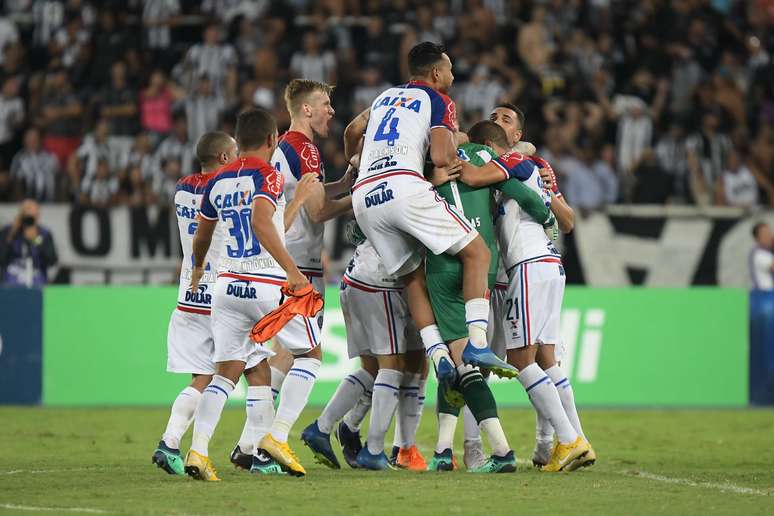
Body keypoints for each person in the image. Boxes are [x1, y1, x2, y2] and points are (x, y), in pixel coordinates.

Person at [343, 42, 516, 404]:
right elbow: (440, 155)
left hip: (364, 196)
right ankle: (478, 344)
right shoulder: (439, 100)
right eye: (450, 70)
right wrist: (451, 157)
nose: (452, 77)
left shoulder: (384, 98)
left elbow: (350, 132)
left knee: (411, 277)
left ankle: (438, 354)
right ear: (436, 73)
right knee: (477, 253)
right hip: (404, 187)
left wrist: (357, 162)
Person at [185, 108, 319, 480]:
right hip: (265, 283)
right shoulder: (268, 175)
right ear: (273, 140)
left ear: (238, 141)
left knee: (225, 374)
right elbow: (262, 223)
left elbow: (202, 236)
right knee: (310, 354)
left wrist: (198, 269)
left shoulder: (217, 180)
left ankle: (197, 452)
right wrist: (293, 273)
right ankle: (277, 437)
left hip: (227, 286)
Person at [459, 123, 595, 473]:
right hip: (547, 264)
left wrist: (459, 160)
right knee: (545, 358)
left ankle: (569, 440)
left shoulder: (512, 162)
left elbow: (473, 177)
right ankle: (572, 440)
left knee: (520, 358)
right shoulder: (530, 165)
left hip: (527, 265)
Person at [426, 121, 553, 473]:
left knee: (456, 360)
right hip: (484, 266)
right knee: (466, 359)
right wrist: (546, 214)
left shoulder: (427, 161)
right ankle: (451, 451)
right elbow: (524, 194)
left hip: (440, 260)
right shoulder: (487, 160)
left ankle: (489, 450)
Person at [301, 225, 427, 470]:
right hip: (380, 282)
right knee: (392, 367)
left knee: (372, 369)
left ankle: (324, 427)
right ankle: (374, 450)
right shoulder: (412, 192)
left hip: (356, 276)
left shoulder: (376, 190)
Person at [150, 131, 237, 476]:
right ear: (224, 158)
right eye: (234, 152)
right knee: (254, 370)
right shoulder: (225, 188)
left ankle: (170, 442)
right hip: (222, 291)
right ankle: (252, 450)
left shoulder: (183, 187)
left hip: (189, 293)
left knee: (201, 378)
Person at [0, 199, 57, 287]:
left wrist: (36, 239)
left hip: (37, 279)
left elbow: (52, 260)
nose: (29, 220)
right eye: (26, 215)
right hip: (11, 280)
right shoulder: (8, 231)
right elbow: (2, 258)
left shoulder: (44, 234)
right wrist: (12, 234)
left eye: (33, 216)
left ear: (38, 216)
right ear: (20, 215)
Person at [750, 222, 774, 290]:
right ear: (758, 238)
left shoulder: (769, 252)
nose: (770, 236)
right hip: (764, 296)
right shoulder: (758, 253)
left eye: (769, 232)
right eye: (765, 234)